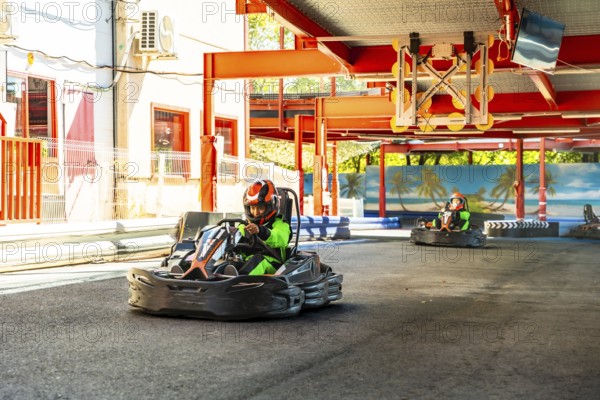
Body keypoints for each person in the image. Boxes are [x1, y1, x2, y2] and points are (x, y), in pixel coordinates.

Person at [237, 180, 291, 275]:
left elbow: (280, 238)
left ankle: (236, 284)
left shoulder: (280, 224)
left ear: (270, 206)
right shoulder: (244, 226)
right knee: (231, 262)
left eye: (260, 208)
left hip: (273, 263)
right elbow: (237, 237)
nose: (255, 212)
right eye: (252, 208)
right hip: (248, 261)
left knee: (258, 261)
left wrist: (261, 231)